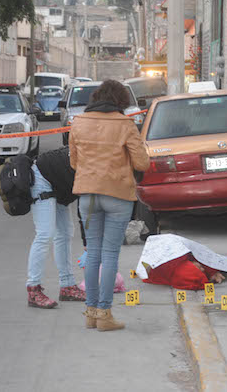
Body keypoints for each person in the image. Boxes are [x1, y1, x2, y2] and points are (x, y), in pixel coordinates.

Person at [69, 79, 150, 331]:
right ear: (122, 101)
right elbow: (142, 164)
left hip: (87, 194)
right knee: (110, 254)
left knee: (92, 252)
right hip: (117, 194)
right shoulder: (125, 124)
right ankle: (105, 313)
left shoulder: (79, 122)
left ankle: (91, 313)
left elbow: (73, 162)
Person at [26, 146, 86, 309]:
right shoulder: (92, 166)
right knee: (45, 234)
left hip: (58, 182)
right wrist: (87, 245)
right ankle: (33, 289)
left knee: (65, 232)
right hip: (41, 177)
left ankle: (67, 286)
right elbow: (85, 209)